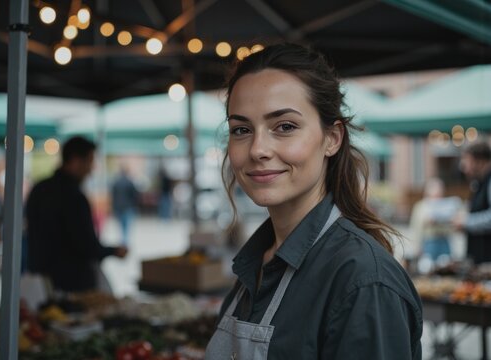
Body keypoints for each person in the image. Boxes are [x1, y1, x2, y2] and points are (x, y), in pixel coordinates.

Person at [205, 43, 422, 360]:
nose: (257, 149)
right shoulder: (254, 263)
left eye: (285, 127)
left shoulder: (363, 282)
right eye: (241, 129)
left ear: (332, 139)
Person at [26, 136, 127, 293]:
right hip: (73, 284)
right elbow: (86, 245)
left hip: (41, 279)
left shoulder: (39, 189)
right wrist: (113, 251)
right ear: (75, 161)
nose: (91, 169)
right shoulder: (74, 197)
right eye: (89, 162)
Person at [453, 141, 491, 264]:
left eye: (467, 161)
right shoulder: (478, 182)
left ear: (479, 161)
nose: (463, 167)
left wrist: (466, 221)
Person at [409, 177, 461, 262]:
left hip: (444, 240)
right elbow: (416, 228)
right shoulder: (421, 206)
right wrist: (416, 247)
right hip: (429, 241)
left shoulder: (447, 205)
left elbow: (454, 227)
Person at [111, 165, 140, 246]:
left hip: (118, 207)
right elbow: (135, 195)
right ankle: (125, 242)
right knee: (127, 226)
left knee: (121, 226)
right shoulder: (129, 182)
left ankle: (123, 242)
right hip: (128, 207)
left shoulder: (115, 182)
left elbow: (113, 196)